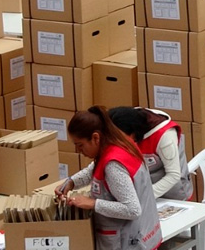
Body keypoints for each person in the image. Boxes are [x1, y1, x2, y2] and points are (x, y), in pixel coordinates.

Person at [57, 106, 162, 250]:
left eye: (80, 145)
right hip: (144, 233)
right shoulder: (118, 144)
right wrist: (71, 182)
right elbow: (94, 168)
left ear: (95, 137)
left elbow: (132, 209)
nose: (78, 151)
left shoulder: (113, 166)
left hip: (128, 241)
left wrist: (92, 204)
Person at [107, 106, 193, 200]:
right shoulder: (119, 122)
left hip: (172, 192)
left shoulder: (165, 136)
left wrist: (144, 196)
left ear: (133, 133)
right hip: (141, 188)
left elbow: (174, 175)